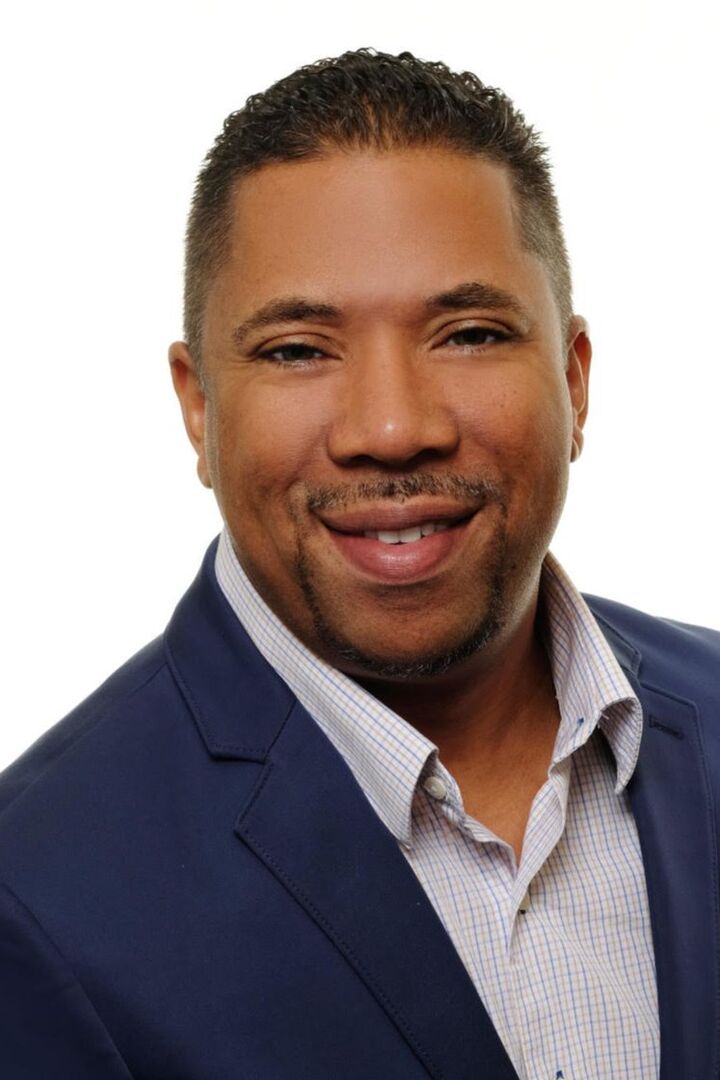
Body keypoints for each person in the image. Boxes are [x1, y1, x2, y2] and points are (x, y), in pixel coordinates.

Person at [0, 47, 717, 1080]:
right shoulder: (36, 895)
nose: (392, 428)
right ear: (198, 408)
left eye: (468, 334)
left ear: (574, 380)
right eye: (297, 349)